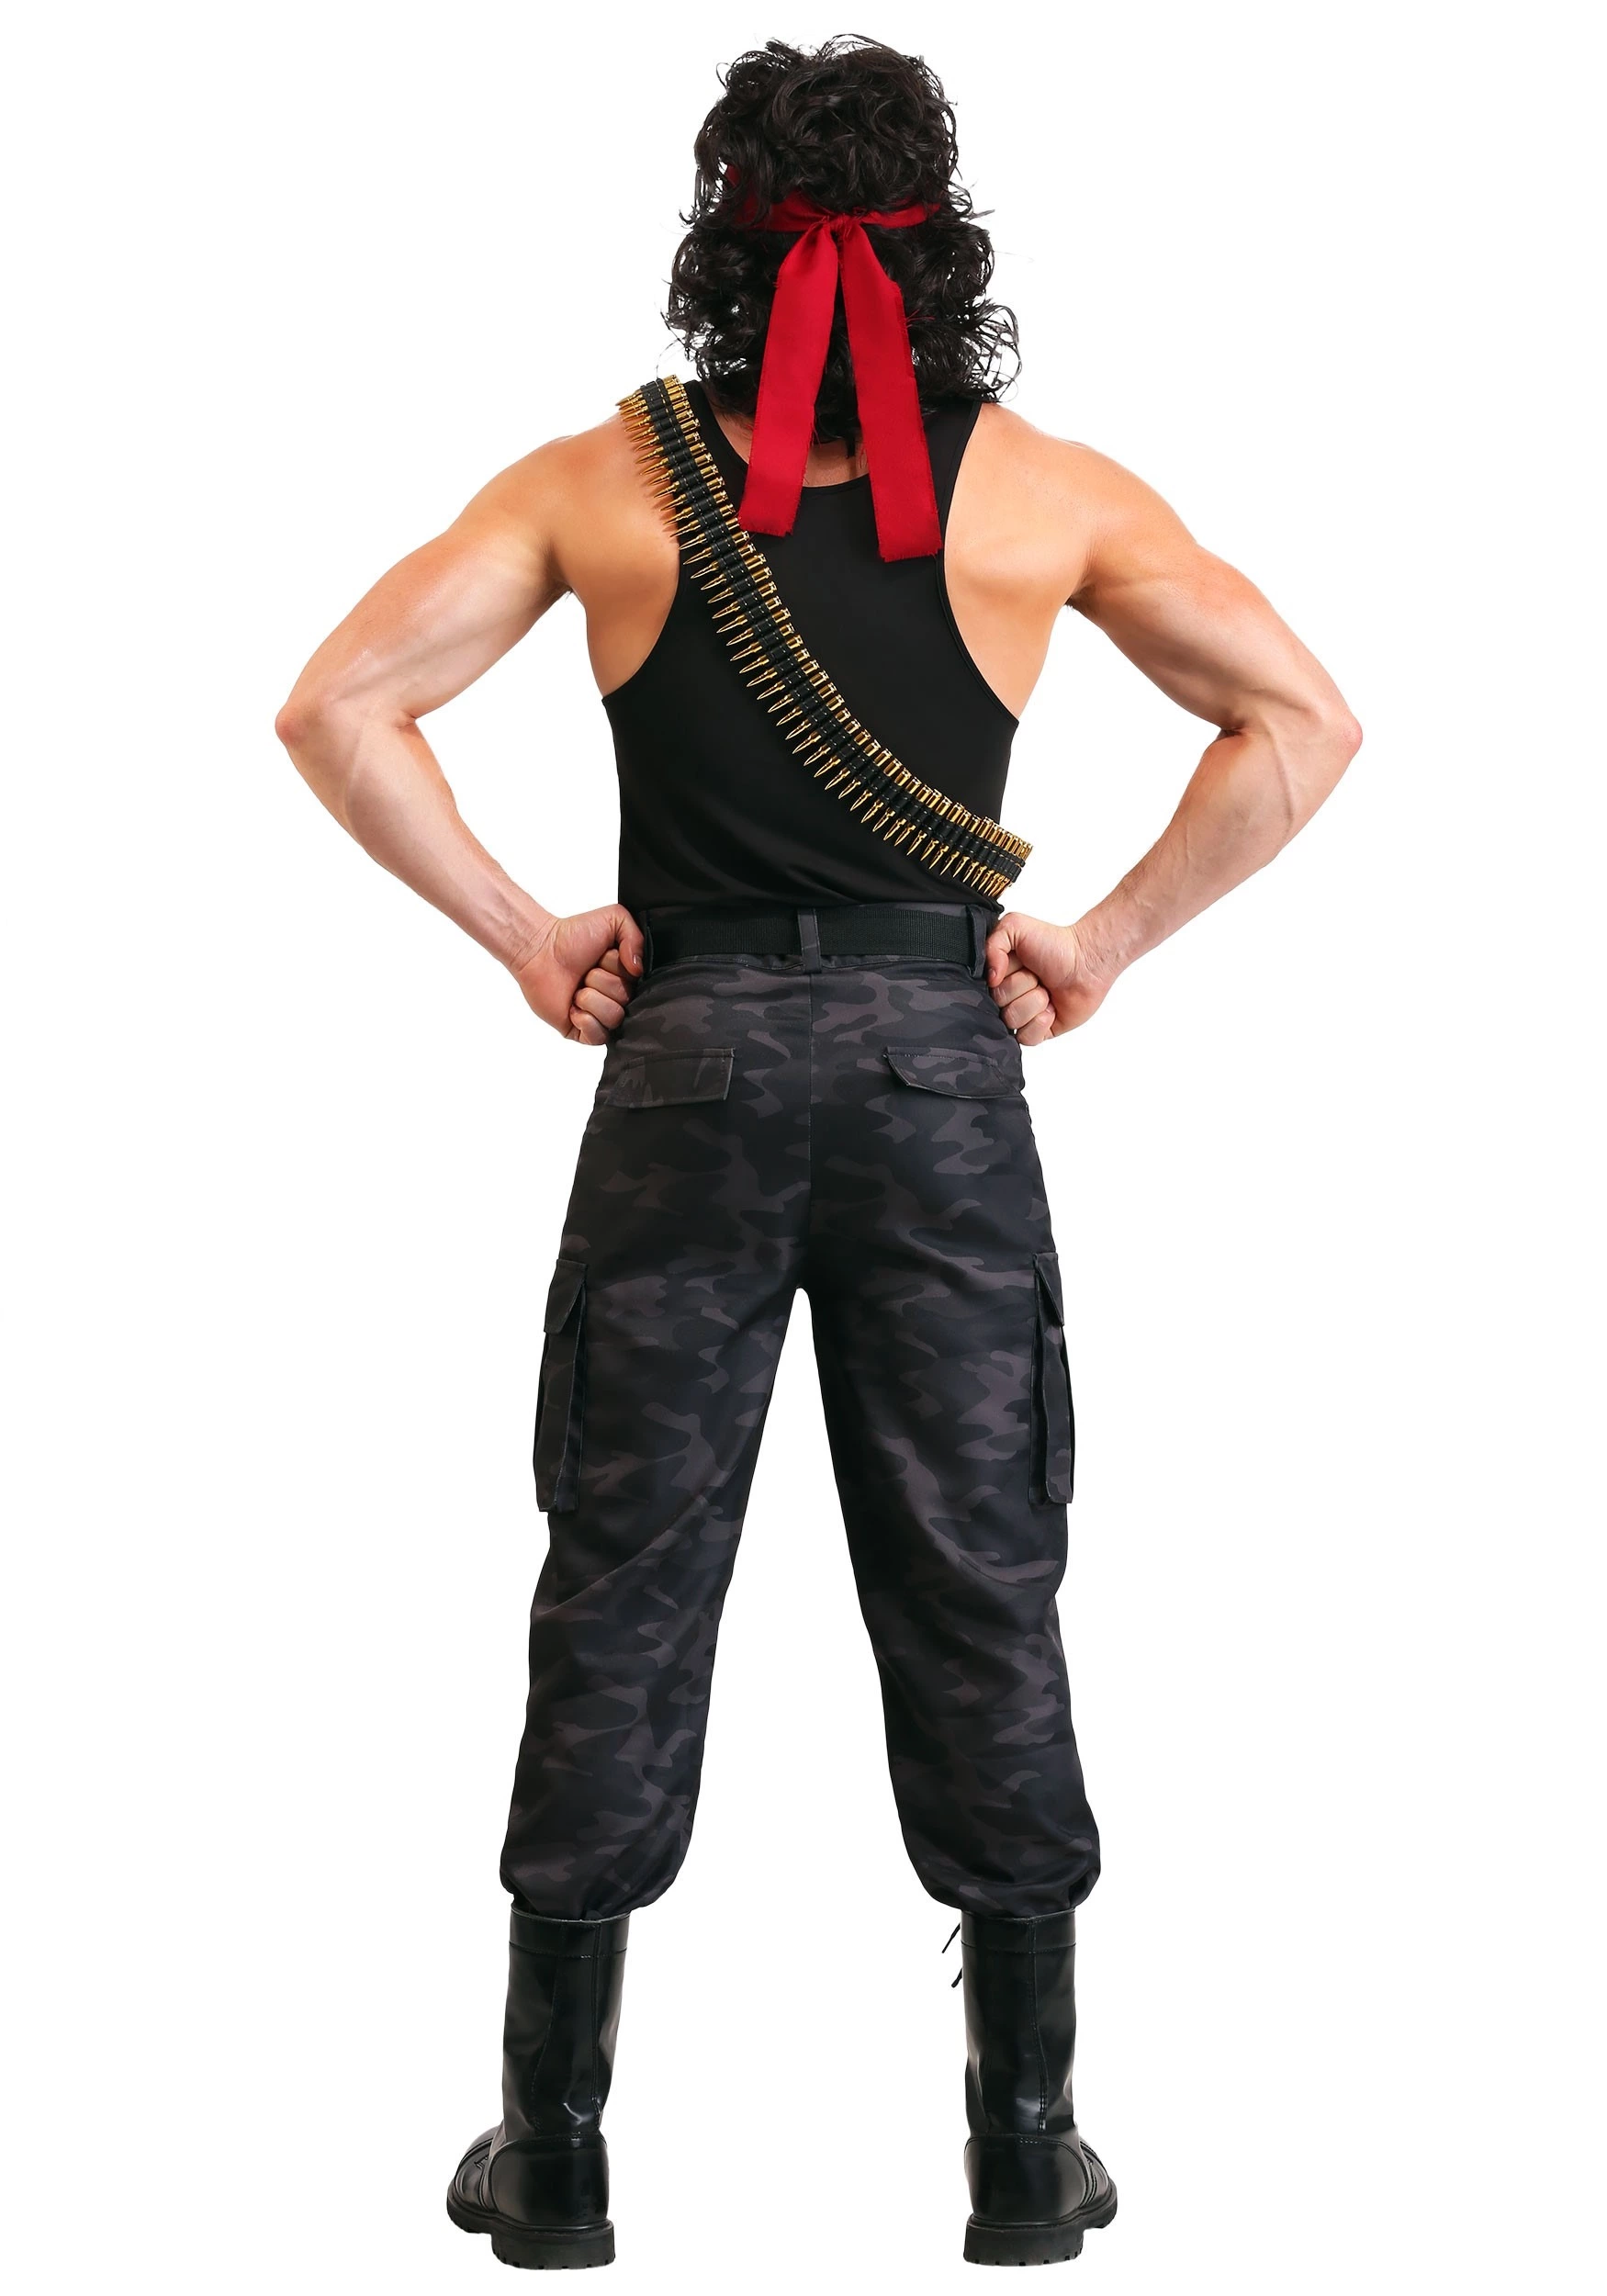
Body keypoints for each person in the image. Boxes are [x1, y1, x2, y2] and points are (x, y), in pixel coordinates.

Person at [275, 34, 1360, 2274]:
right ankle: (1019, 2147)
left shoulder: (600, 479)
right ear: (941, 250)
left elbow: (336, 706)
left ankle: (554, 2145)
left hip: (679, 1068)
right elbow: (1301, 720)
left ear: (717, 247)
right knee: (979, 1569)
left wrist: (526, 935)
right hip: (935, 1076)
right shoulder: (1044, 492)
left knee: (620, 1573)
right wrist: (1100, 940)